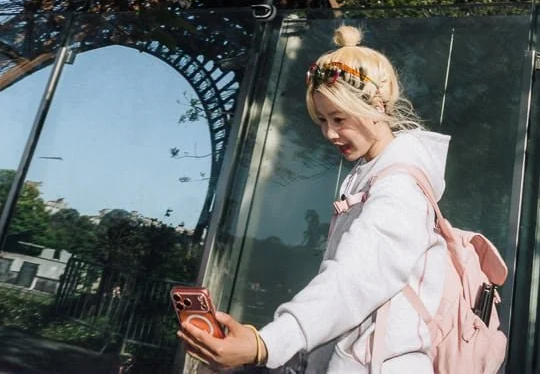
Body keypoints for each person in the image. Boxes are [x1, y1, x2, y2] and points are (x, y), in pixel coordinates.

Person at [180, 25, 449, 373]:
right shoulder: (374, 176)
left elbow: (353, 280)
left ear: (377, 105)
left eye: (339, 118)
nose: (329, 133)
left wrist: (266, 344)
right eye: (322, 120)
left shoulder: (398, 187)